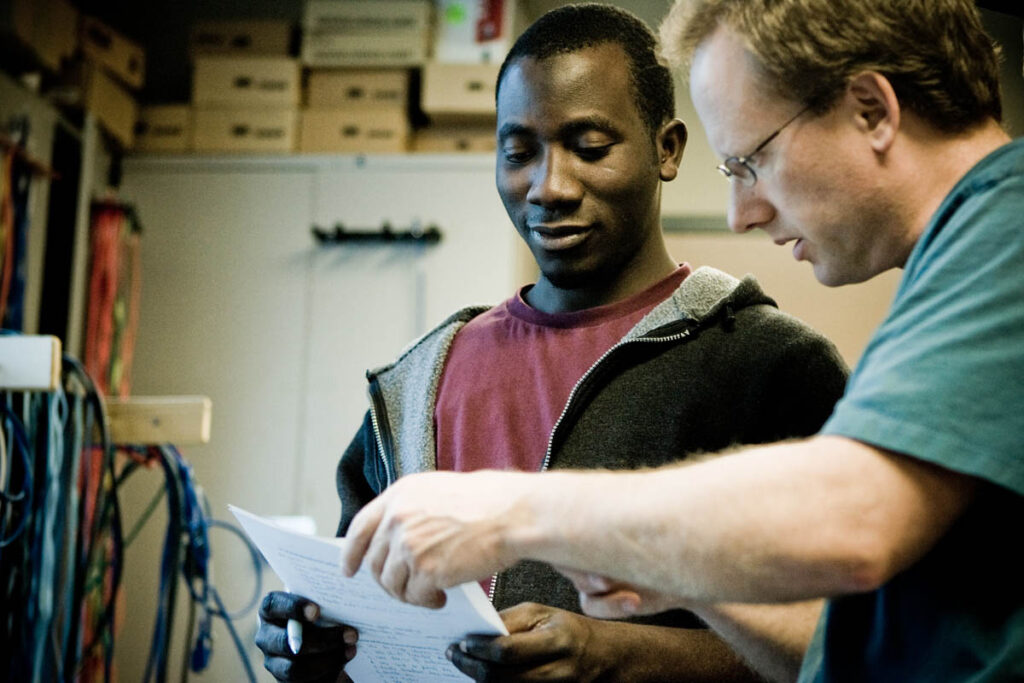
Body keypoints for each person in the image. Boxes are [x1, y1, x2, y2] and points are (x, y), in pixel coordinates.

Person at [338, 0, 1024, 682]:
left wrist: (515, 511)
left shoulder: (1008, 232)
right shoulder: (958, 259)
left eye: (751, 160)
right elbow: (859, 642)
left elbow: (860, 518)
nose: (741, 212)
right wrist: (683, 578)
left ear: (872, 111)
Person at [259, 4, 849, 682]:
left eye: (589, 147)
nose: (549, 187)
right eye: (519, 153)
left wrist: (616, 656)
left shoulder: (770, 367)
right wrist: (310, 645)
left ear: (668, 148)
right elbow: (357, 604)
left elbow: (849, 648)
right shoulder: (420, 378)